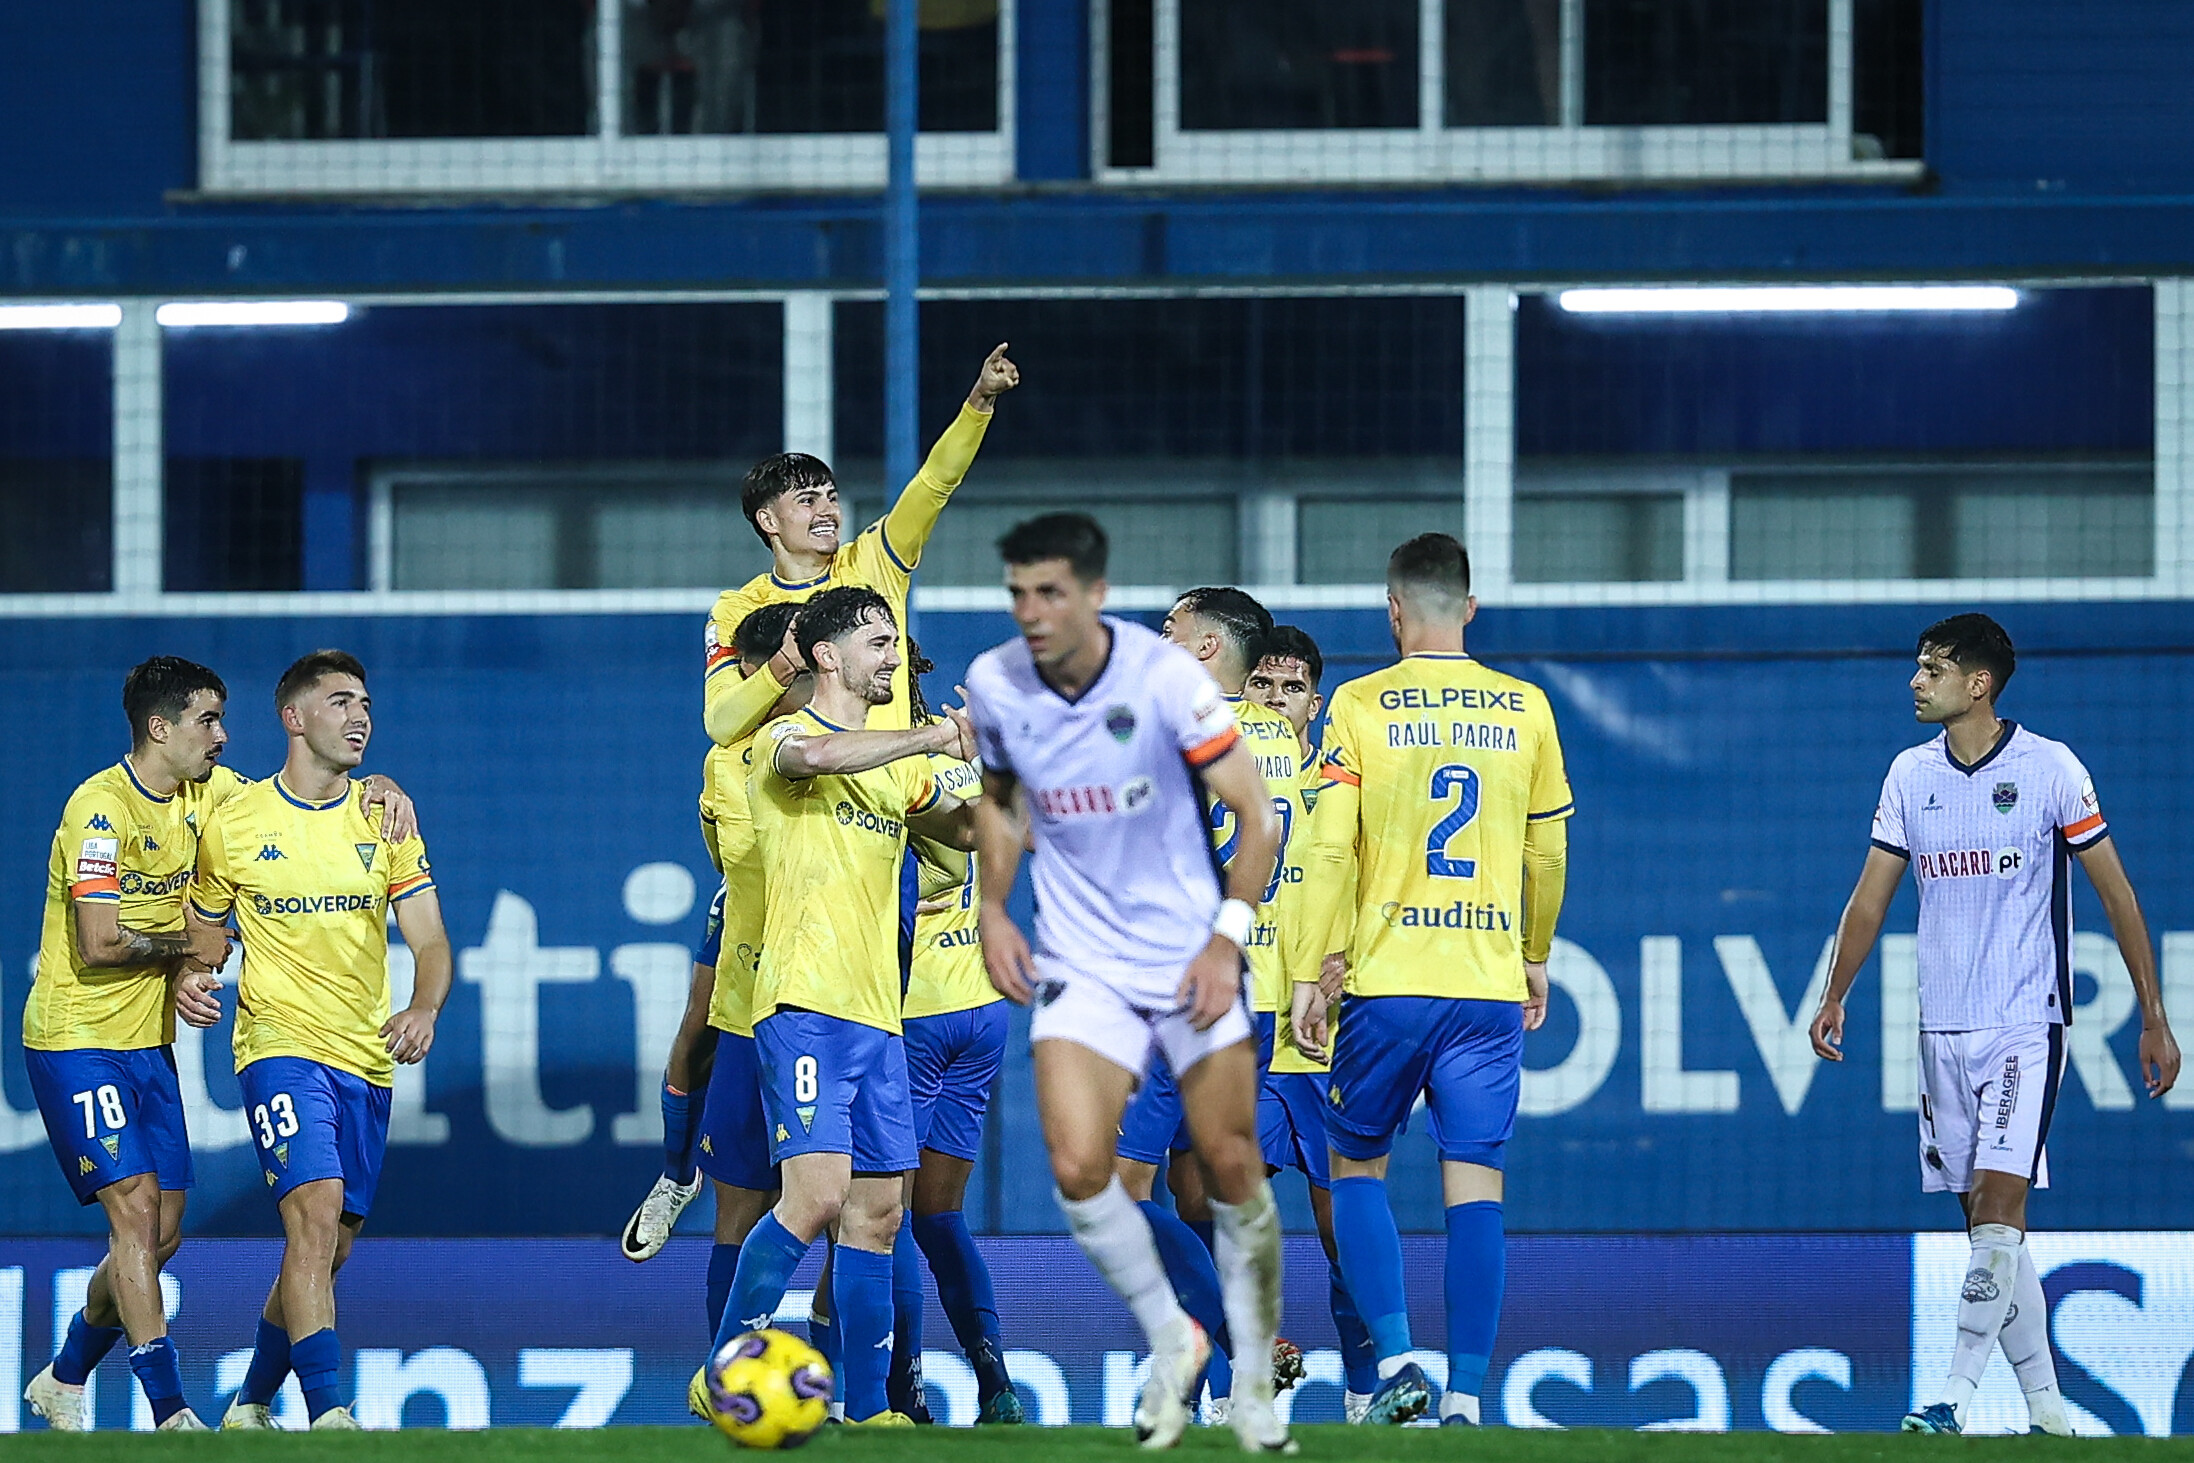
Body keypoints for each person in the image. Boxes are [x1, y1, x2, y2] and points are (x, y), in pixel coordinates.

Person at [963, 513, 1294, 1454]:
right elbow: (999, 802)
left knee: (1231, 1165)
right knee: (1079, 1168)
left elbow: (1256, 816)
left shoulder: (1166, 681)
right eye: (1019, 592)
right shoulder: (996, 684)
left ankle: (1257, 1368)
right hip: (1081, 959)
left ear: (1096, 595)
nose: (1032, 612)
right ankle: (1174, 1332)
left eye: (1051, 593)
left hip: (1190, 951)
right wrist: (993, 907)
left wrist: (1226, 941)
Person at [1807, 613, 2180, 1437]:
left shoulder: (2050, 769)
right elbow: (1871, 897)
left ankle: (1951, 1398)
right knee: (1989, 1227)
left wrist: (2154, 1015)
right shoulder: (1909, 775)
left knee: (2002, 1206)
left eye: (1931, 667)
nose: (1915, 680)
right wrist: (1835, 992)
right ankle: (2047, 1406)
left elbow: (2118, 895)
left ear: (1978, 682)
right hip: (1941, 1029)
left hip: (2024, 1021)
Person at [21, 657, 416, 1434]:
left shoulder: (213, 793)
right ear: (159, 728)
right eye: (207, 721)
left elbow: (309, 790)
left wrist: (385, 788)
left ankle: (65, 1375)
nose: (222, 736)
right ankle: (172, 1415)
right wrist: (190, 948)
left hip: (149, 1044)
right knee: (133, 1215)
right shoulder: (99, 810)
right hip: (76, 1036)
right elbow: (99, 942)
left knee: (161, 1233)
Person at [1298, 533, 1572, 1428]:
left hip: (1387, 978)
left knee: (1357, 1167)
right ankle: (1466, 1398)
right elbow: (1548, 848)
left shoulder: (1357, 704)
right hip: (1487, 985)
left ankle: (1400, 1358)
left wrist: (1312, 968)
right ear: (1470, 607)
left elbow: (1331, 845)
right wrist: (1534, 952)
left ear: (1393, 609)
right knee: (1476, 1186)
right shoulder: (1526, 707)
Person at [710, 587, 980, 1427]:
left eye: (893, 642)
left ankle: (868, 1413)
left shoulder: (897, 767)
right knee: (816, 1196)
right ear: (826, 654)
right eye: (875, 641)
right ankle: (724, 1369)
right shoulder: (777, 739)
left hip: (879, 1019)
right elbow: (816, 763)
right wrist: (937, 735)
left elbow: (967, 833)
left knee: (877, 1215)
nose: (891, 656)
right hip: (803, 1003)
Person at [178, 650, 452, 1432]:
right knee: (315, 1212)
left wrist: (424, 1005)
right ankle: (330, 1413)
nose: (360, 715)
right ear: (293, 718)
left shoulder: (385, 813)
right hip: (277, 1047)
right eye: (339, 701)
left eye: (365, 701)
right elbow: (204, 930)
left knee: (328, 1249)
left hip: (365, 1059)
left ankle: (252, 1402)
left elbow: (431, 941)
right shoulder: (235, 820)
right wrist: (191, 976)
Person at [704, 345, 1018, 748]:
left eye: (831, 497)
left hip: (895, 790)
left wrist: (979, 403)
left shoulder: (874, 561)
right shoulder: (738, 609)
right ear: (769, 522)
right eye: (807, 501)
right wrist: (784, 665)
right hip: (809, 797)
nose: (828, 511)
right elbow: (721, 723)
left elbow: (934, 484)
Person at [628, 604, 812, 1291]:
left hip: (828, 981)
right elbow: (722, 853)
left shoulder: (845, 739)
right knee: (696, 1029)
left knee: (848, 1207)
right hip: (745, 930)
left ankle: (844, 1382)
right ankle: (676, 1174)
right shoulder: (724, 755)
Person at [1246, 626, 1381, 1423]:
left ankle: (1366, 1393)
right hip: (1248, 1028)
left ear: (1315, 703)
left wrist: (1347, 962)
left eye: (1289, 688)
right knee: (1231, 1214)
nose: (1272, 699)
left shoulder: (1342, 786)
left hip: (1326, 1037)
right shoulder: (1222, 777)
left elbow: (1373, 891)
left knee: (1342, 1232)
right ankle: (1244, 1373)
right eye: (1260, 684)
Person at [897, 647, 1023, 1423]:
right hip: (981, 1006)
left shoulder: (893, 768)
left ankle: (899, 1391)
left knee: (877, 1215)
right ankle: (995, 1379)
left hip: (914, 1012)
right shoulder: (969, 749)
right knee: (938, 1214)